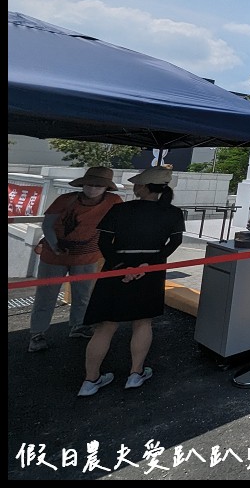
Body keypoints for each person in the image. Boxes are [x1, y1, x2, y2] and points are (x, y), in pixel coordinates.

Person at [77, 165, 185, 396]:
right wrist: (148, 265)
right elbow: (174, 243)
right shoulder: (173, 213)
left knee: (105, 326)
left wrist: (122, 266)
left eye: (138, 183)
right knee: (143, 322)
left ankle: (90, 379)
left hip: (115, 269)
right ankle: (135, 374)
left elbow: (104, 243)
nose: (135, 186)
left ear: (144, 187)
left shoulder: (120, 210)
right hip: (152, 270)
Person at [27, 166, 123, 353]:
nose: (93, 188)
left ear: (106, 188)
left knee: (83, 294)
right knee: (46, 295)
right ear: (83, 184)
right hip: (54, 255)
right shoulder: (66, 199)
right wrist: (55, 246)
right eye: (89, 184)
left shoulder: (114, 201)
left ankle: (79, 325)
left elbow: (121, 222)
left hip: (88, 254)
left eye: (98, 185)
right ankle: (37, 333)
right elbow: (48, 225)